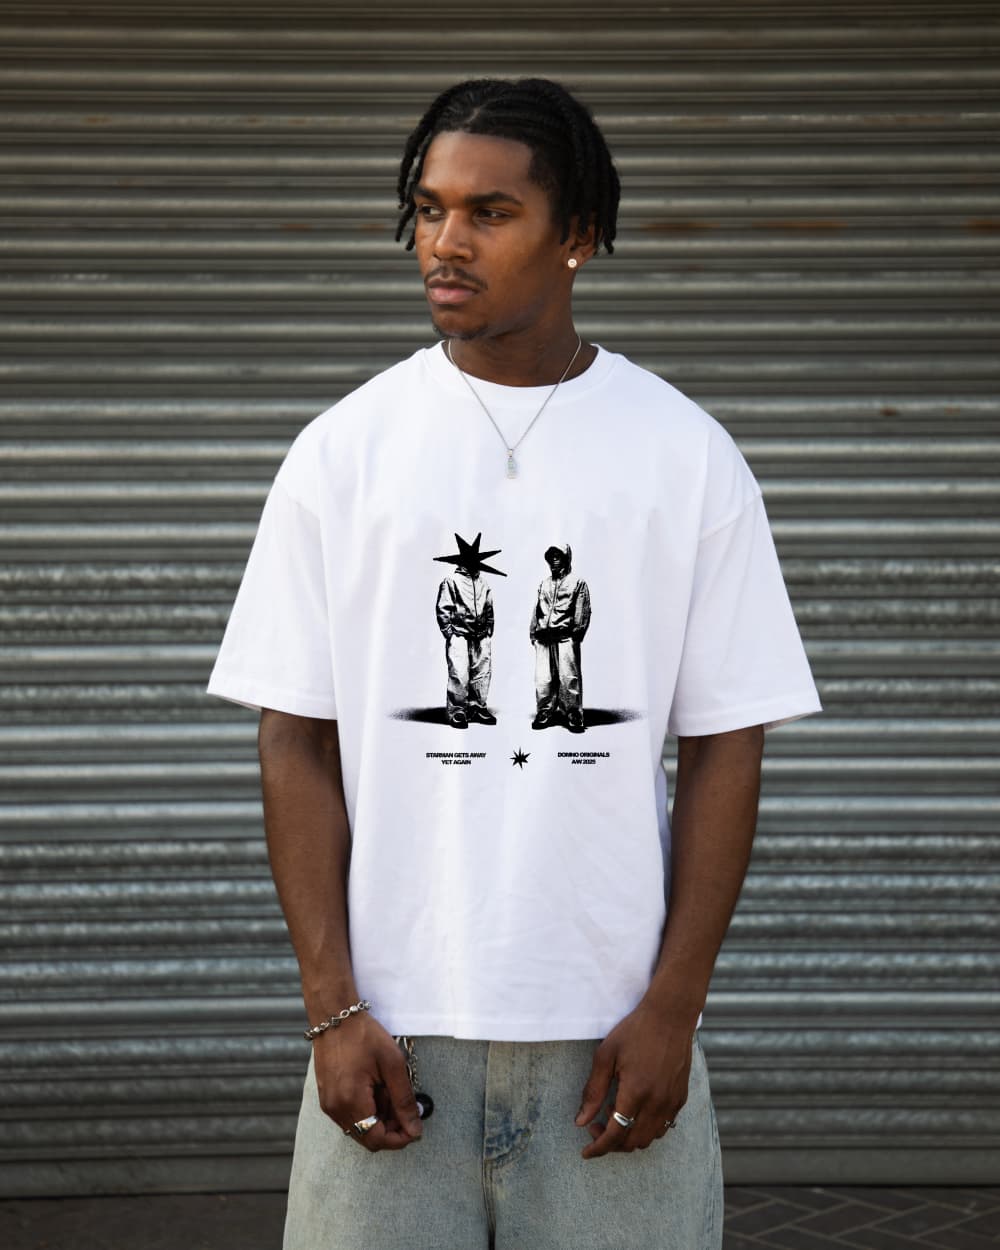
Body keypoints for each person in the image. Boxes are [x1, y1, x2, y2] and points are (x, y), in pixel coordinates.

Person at [208, 76, 820, 1250]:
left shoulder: (684, 453)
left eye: (489, 213)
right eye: (429, 209)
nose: (445, 241)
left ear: (576, 234)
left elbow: (726, 745)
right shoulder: (343, 452)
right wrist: (331, 1006)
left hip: (611, 1036)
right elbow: (294, 735)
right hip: (390, 1031)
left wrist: (674, 1008)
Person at [434, 531, 503, 728]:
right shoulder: (451, 581)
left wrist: (489, 628)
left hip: (481, 636)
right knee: (459, 673)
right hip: (459, 635)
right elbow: (443, 608)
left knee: (482, 672)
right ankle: (458, 711)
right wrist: (449, 632)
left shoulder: (483, 583)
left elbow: (489, 607)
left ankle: (477, 707)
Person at [530, 542, 591, 732]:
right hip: (543, 637)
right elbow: (537, 609)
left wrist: (576, 634)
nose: (554, 560)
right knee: (543, 679)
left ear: (566, 558)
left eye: (558, 556)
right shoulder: (544, 583)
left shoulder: (577, 582)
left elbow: (582, 610)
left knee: (568, 677)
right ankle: (544, 711)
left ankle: (573, 713)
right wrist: (533, 631)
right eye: (551, 557)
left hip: (565, 637)